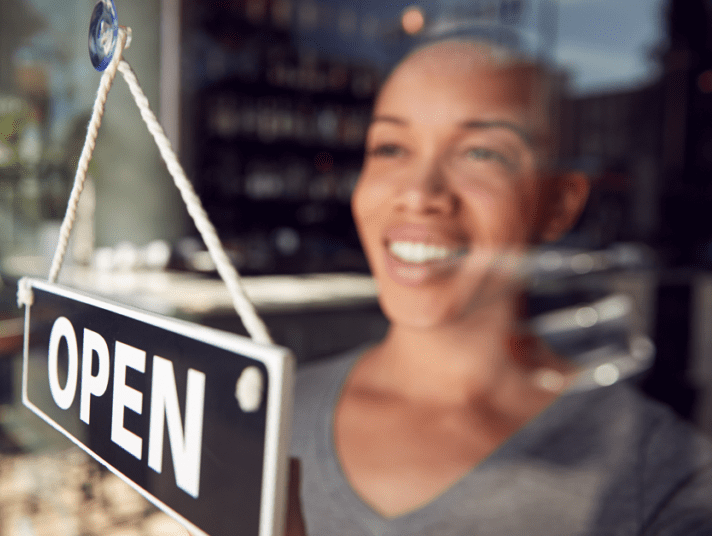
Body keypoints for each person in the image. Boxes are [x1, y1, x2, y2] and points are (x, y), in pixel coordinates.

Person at [287, 37, 712, 535]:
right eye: (391, 148)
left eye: (481, 152)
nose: (419, 194)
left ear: (559, 203)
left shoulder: (661, 480)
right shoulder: (260, 412)